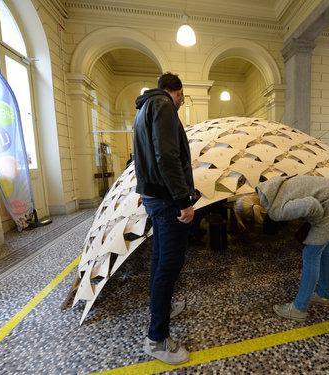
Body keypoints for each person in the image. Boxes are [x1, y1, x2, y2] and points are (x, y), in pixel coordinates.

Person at [235, 175, 329, 321]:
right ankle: (323, 294)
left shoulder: (275, 210)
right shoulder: (270, 186)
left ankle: (299, 308)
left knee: (310, 254)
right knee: (324, 250)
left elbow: (312, 206)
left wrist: (314, 226)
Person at [133, 72, 194, 365]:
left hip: (152, 196)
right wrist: (183, 201)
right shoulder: (165, 106)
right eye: (183, 96)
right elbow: (168, 157)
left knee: (159, 259)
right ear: (178, 92)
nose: (181, 101)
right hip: (168, 200)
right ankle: (157, 339)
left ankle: (162, 308)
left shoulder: (143, 109)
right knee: (169, 266)